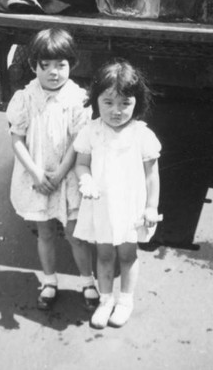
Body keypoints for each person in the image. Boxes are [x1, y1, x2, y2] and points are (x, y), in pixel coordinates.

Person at [6, 28, 99, 311]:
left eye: (61, 65)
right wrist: (36, 173)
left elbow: (78, 143)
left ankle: (88, 281)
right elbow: (17, 139)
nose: (53, 72)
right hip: (37, 177)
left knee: (75, 235)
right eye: (44, 66)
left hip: (66, 176)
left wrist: (59, 174)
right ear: (34, 65)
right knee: (44, 232)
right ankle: (49, 280)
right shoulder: (25, 98)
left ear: (72, 64)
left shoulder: (78, 99)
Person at [73, 58, 163, 329]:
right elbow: (81, 163)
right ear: (96, 100)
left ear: (138, 103)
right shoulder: (91, 131)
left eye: (125, 103)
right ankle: (105, 300)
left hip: (130, 206)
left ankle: (125, 301)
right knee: (103, 255)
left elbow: (151, 175)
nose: (116, 111)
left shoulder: (141, 135)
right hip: (101, 205)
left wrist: (150, 207)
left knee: (127, 254)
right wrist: (85, 179)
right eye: (108, 103)